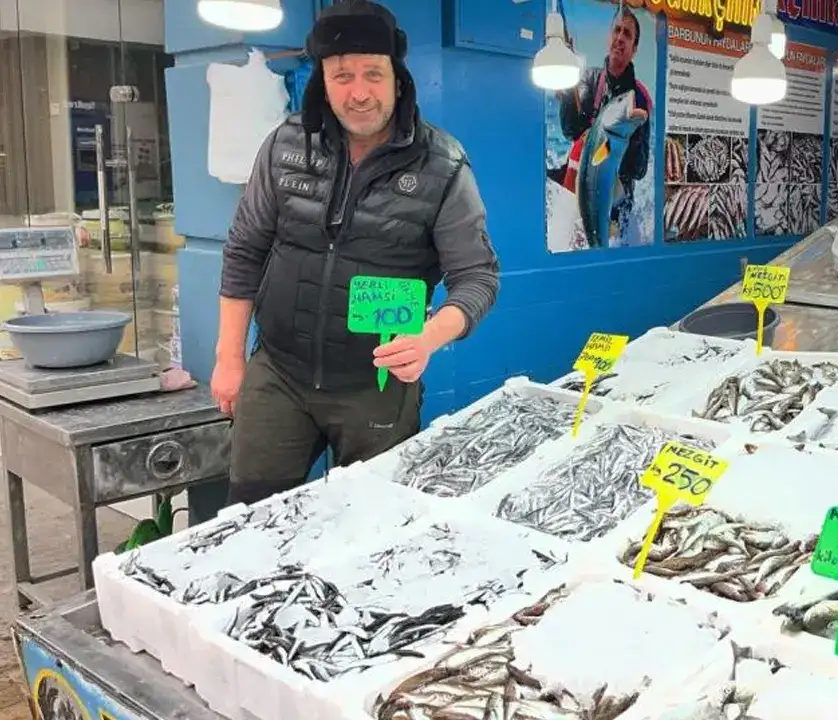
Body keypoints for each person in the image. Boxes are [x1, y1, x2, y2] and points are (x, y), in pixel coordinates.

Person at [208, 0, 499, 507]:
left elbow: (477, 276)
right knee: (249, 515)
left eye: (373, 74)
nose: (359, 92)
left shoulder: (443, 164)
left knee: (371, 522)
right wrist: (228, 358)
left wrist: (429, 338)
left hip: (377, 384)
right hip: (278, 373)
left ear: (398, 79)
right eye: (342, 76)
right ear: (322, 81)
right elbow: (244, 252)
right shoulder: (283, 145)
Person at [553, 5, 652, 240]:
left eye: (627, 34)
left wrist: (625, 138)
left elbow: (639, 170)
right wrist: (567, 97)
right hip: (580, 190)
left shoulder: (639, 97)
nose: (620, 38)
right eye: (617, 30)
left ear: (634, 49)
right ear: (609, 37)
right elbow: (570, 131)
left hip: (616, 208)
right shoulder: (588, 79)